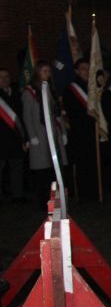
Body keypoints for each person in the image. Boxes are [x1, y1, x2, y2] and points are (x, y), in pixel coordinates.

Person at [22, 61, 69, 207]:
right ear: (37, 72)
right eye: (44, 71)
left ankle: (57, 198)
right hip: (40, 132)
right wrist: (32, 136)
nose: (47, 74)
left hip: (54, 131)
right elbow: (27, 115)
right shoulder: (30, 92)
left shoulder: (51, 89)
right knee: (42, 168)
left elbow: (57, 113)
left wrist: (63, 132)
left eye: (49, 71)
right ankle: (44, 199)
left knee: (56, 167)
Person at [63, 58, 98, 201]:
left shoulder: (93, 87)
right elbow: (71, 111)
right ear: (77, 71)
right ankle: (84, 193)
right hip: (79, 131)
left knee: (94, 161)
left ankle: (95, 190)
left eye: (89, 69)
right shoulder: (71, 88)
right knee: (82, 163)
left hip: (93, 130)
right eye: (83, 69)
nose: (87, 71)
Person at [0, 68, 28, 203]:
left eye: (7, 76)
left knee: (17, 167)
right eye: (1, 77)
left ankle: (18, 195)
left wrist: (24, 136)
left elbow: (21, 116)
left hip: (16, 137)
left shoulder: (17, 94)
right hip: (1, 138)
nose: (5, 79)